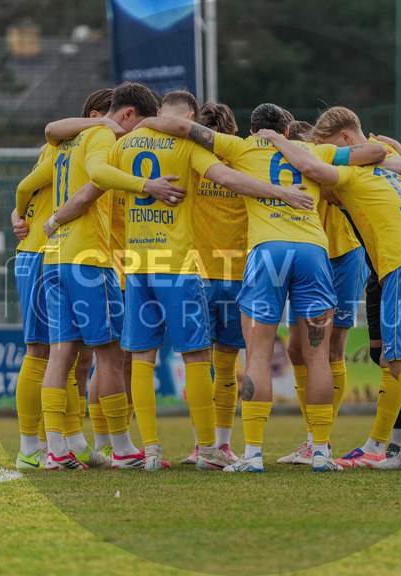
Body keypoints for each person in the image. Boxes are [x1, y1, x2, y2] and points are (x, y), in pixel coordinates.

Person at [137, 103, 386, 472]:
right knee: (319, 357)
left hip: (267, 253)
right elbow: (375, 151)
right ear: (287, 130)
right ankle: (320, 451)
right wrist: (289, 146)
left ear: (252, 130)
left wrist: (147, 121)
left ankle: (252, 454)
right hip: (313, 253)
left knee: (257, 356)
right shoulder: (312, 151)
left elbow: (182, 128)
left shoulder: (240, 147)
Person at [255, 105, 401, 473]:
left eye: (331, 146)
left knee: (399, 365)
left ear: (346, 140)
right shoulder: (391, 176)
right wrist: (397, 150)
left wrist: (275, 139)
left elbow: (311, 168)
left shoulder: (350, 175)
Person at [110, 91, 315, 471]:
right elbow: (231, 178)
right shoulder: (233, 157)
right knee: (216, 363)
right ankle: (216, 445)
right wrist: (281, 192)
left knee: (144, 358)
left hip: (168, 265)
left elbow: (97, 178)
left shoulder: (130, 146)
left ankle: (155, 448)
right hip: (230, 272)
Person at [22, 82, 182, 471]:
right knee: (109, 355)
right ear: (128, 115)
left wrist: (29, 215)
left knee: (61, 354)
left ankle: (55, 448)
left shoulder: (68, 140)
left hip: (55, 258)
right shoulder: (103, 136)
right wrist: (148, 184)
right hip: (89, 258)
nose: (142, 134)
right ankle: (121, 448)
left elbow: (32, 177)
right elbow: (97, 175)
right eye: (141, 125)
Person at [9, 89, 126, 470]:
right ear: (95, 116)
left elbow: (27, 189)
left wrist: (20, 212)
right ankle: (31, 446)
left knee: (74, 355)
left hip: (56, 253)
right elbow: (26, 186)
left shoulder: (76, 146)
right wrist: (21, 217)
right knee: (41, 352)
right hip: (41, 251)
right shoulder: (65, 146)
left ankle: (71, 442)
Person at [277, 119, 370, 466]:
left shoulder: (327, 164)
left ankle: (320, 440)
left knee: (332, 348)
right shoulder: (286, 167)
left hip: (344, 255)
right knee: (295, 348)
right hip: (310, 258)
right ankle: (313, 438)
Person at [180, 102, 248, 466]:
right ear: (233, 133)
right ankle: (221, 445)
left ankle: (200, 445)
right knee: (226, 366)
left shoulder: (190, 160)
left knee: (199, 365)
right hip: (238, 274)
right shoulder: (244, 161)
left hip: (198, 273)